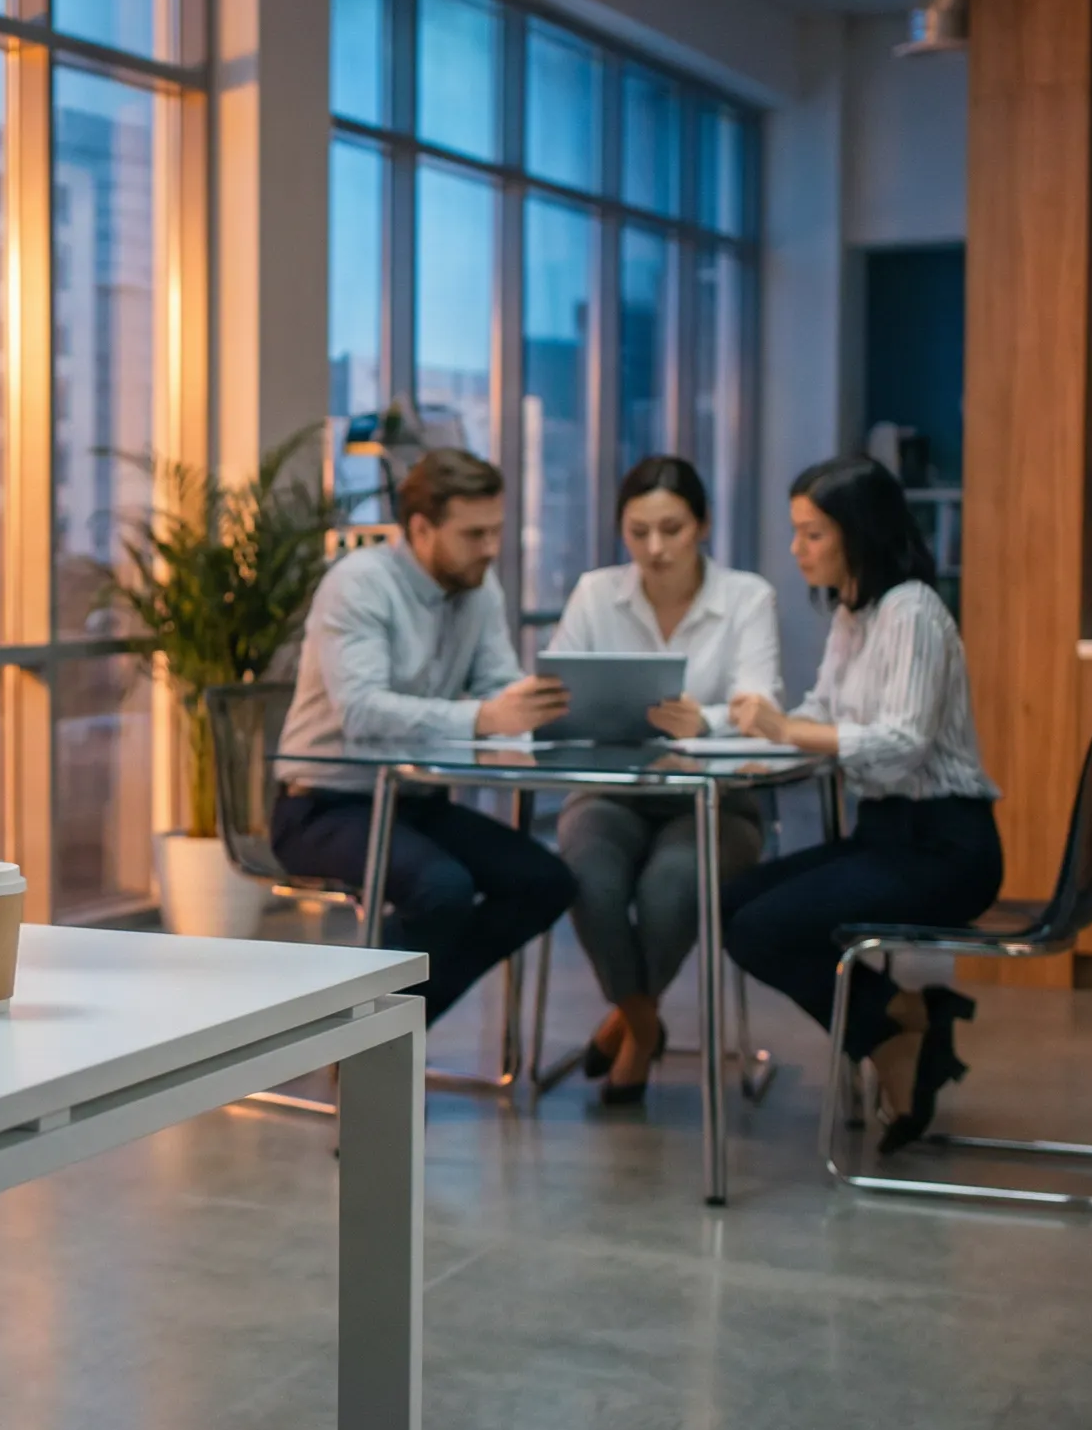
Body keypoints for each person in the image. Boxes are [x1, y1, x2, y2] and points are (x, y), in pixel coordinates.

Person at [721, 456, 1002, 1153]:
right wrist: (762, 740)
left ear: (859, 533)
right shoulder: (857, 609)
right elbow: (825, 709)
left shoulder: (912, 611)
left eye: (812, 534)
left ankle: (892, 1034)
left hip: (944, 847)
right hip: (888, 835)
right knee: (735, 905)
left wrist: (788, 732)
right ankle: (904, 1018)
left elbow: (902, 743)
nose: (796, 550)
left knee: (761, 927)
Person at [270, 449, 578, 1031]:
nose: (491, 548)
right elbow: (362, 711)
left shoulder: (479, 591)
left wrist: (541, 706)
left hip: (415, 800)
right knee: (443, 890)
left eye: (496, 531)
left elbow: (495, 687)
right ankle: (367, 1033)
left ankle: (375, 1025)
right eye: (474, 534)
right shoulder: (359, 584)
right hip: (321, 805)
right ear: (420, 528)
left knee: (546, 883)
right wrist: (484, 717)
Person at [547, 455, 783, 1104]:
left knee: (670, 887)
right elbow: (557, 693)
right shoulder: (598, 593)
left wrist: (701, 722)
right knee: (586, 876)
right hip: (611, 791)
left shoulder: (745, 597)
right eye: (638, 532)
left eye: (672, 529)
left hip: (717, 804)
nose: (654, 548)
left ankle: (625, 1023)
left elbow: (761, 708)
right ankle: (645, 1026)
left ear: (703, 524)